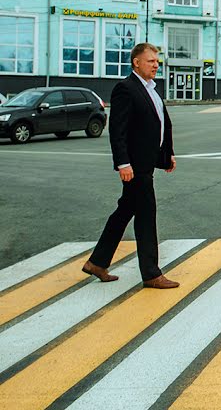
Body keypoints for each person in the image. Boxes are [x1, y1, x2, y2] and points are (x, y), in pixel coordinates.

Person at [83, 43, 179, 289]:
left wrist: (167, 155)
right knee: (146, 217)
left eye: (157, 61)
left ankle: (97, 262)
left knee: (124, 211)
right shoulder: (126, 89)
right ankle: (151, 274)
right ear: (136, 62)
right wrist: (123, 163)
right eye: (151, 61)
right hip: (135, 167)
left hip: (146, 163)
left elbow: (158, 125)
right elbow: (118, 130)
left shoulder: (151, 89)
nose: (156, 65)